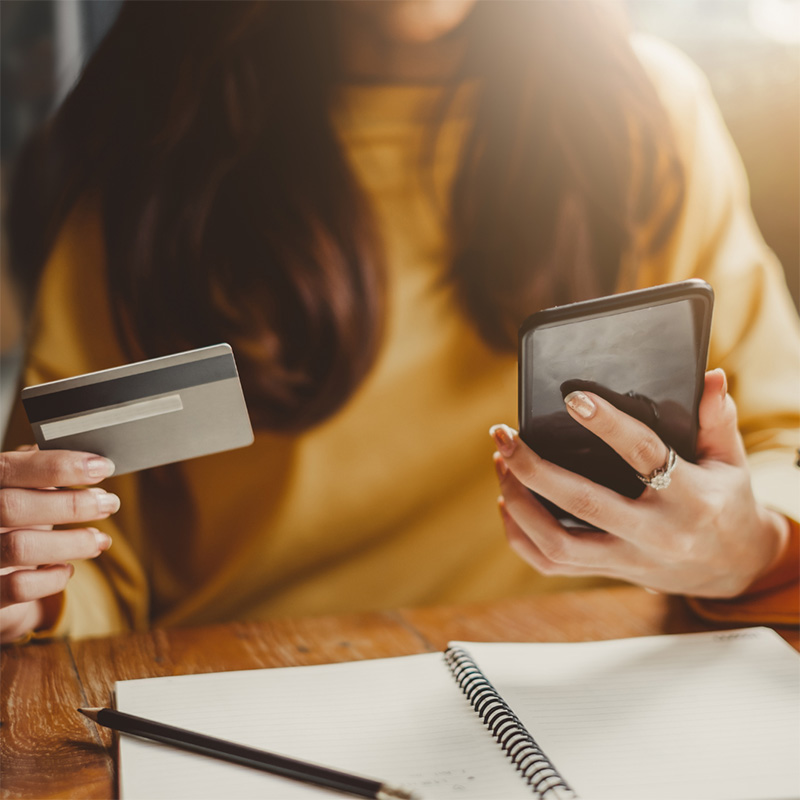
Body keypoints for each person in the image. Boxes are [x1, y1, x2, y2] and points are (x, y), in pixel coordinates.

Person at [1, 0, 798, 644]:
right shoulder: (140, 160)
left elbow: (779, 437)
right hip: (232, 695)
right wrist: (35, 593)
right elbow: (89, 551)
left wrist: (748, 546)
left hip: (588, 683)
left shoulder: (648, 116)